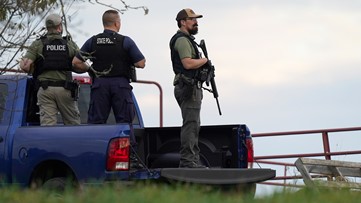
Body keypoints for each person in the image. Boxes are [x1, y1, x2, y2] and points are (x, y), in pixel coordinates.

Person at [72, 10, 146, 167]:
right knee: (124, 122)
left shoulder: (93, 41)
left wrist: (91, 70)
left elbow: (75, 62)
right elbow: (141, 63)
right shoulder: (125, 41)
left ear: (104, 23)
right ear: (117, 23)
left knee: (96, 123)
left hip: (100, 85)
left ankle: (92, 158)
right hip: (120, 85)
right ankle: (130, 160)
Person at [19, 13, 82, 126]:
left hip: (45, 90)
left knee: (47, 127)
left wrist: (33, 69)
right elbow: (80, 64)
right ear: (59, 27)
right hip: (65, 89)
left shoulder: (38, 44)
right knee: (73, 126)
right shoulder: (69, 44)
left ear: (47, 27)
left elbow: (25, 66)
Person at [169, 8, 209, 168]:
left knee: (194, 124)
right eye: (192, 19)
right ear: (183, 22)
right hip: (188, 87)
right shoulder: (183, 40)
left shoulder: (187, 39)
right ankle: (188, 161)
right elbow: (187, 63)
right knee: (191, 124)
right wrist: (205, 61)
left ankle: (192, 160)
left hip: (189, 86)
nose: (196, 22)